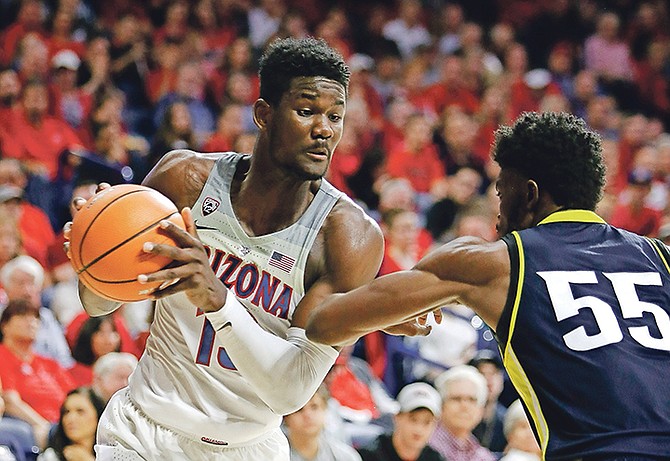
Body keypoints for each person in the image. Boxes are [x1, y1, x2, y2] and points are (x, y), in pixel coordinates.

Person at [63, 37, 432, 460]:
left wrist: (217, 299)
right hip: (145, 430)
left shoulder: (347, 237)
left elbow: (289, 390)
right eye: (307, 111)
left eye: (336, 116)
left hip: (246, 447)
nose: (324, 129)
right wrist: (94, 251)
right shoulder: (185, 179)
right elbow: (97, 304)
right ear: (264, 114)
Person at [306, 111, 670, 459]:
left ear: (528, 194)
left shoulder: (494, 262)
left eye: (501, 192)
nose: (496, 216)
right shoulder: (660, 256)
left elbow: (324, 322)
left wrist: (379, 316)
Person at [0, 299, 75, 450]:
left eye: (35, 318)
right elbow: (11, 402)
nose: (31, 322)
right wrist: (43, 425)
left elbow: (75, 397)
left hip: (64, 424)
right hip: (37, 425)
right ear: (4, 326)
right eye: (22, 316)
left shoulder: (49, 363)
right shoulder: (3, 356)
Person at [357, 382, 445, 461]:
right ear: (397, 417)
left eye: (427, 422)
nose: (419, 429)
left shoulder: (435, 458)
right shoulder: (371, 454)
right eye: (413, 419)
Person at [429, 365, 496, 461]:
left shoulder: (484, 457)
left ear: (481, 410)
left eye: (472, 400)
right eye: (457, 399)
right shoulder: (424, 445)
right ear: (441, 405)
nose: (465, 406)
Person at [283, 384, 362, 461]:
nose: (307, 415)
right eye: (299, 409)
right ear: (286, 416)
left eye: (314, 407)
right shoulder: (276, 454)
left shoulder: (346, 457)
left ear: (325, 409)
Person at [37, 387, 106, 461]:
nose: (70, 418)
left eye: (80, 411)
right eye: (66, 412)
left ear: (99, 416)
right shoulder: (50, 457)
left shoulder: (111, 454)